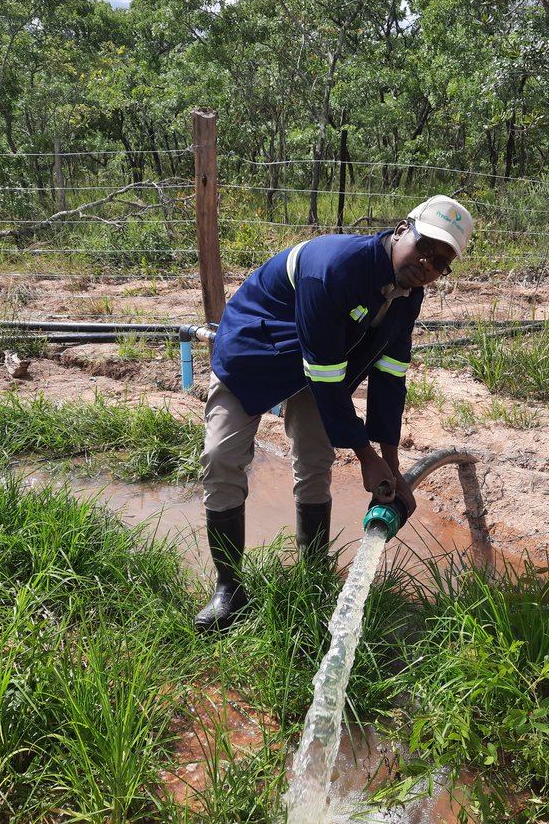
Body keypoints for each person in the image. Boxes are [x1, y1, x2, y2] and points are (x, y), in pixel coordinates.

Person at [195, 195, 474, 631]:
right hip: (257, 349)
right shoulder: (334, 268)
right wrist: (366, 457)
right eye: (424, 247)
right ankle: (229, 588)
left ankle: (312, 573)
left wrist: (392, 463)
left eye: (441, 262)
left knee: (315, 457)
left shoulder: (407, 294)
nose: (427, 264)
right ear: (402, 229)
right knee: (221, 456)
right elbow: (324, 374)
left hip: (323, 362)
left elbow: (390, 374)